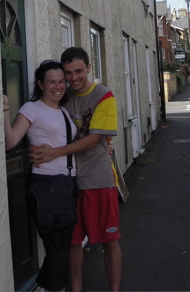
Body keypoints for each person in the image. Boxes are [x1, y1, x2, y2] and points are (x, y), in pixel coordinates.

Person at [31, 47, 122, 292]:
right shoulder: (62, 96)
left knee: (109, 240)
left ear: (89, 68)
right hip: (67, 183)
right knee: (73, 243)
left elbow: (94, 139)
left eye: (78, 71)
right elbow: (40, 118)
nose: (73, 78)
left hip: (98, 180)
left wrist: (54, 152)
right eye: (68, 72)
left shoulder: (104, 96)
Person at [3, 59, 78, 292]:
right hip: (47, 185)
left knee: (62, 248)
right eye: (51, 82)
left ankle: (47, 287)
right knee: (57, 250)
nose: (57, 87)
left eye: (61, 82)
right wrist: (5, 111)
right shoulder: (32, 108)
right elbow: (11, 141)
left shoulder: (63, 110)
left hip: (67, 183)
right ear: (40, 84)